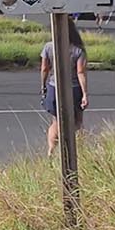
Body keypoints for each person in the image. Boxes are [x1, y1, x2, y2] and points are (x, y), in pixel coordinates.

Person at [40, 21, 88, 156]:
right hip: (73, 88)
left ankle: (51, 149)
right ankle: (74, 149)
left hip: (53, 86)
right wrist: (85, 93)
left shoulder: (49, 47)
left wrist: (43, 85)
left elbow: (44, 68)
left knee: (56, 120)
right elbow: (80, 72)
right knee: (77, 121)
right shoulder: (78, 50)